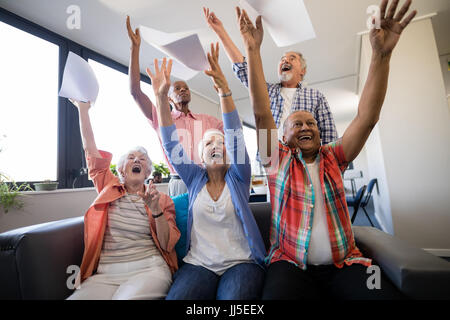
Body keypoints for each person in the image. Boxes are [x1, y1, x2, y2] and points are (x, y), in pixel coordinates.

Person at [237, 0, 416, 299]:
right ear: (282, 136)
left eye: (311, 123)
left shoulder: (334, 157)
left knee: (381, 295)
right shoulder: (276, 160)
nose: (306, 127)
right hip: (289, 265)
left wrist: (381, 56)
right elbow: (261, 114)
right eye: (297, 124)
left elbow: (367, 119)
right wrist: (253, 51)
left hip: (348, 263)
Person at [147, 43, 266, 300]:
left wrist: (224, 90)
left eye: (220, 143)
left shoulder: (239, 176)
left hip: (241, 262)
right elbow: (170, 143)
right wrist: (160, 98)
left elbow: (234, 133)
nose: (216, 145)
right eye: (209, 143)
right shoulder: (194, 178)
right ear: (200, 157)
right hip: (198, 264)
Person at [66, 100, 180, 300]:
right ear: (120, 170)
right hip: (105, 273)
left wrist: (156, 211)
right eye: (131, 157)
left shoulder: (161, 200)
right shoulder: (108, 187)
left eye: (142, 159)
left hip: (149, 269)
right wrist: (83, 110)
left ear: (147, 172)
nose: (137, 160)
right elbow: (91, 153)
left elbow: (167, 245)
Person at [203, 7, 338, 144]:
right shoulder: (267, 91)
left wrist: (326, 164)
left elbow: (329, 136)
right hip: (271, 157)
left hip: (305, 158)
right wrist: (219, 31)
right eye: (282, 59)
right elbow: (242, 68)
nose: (285, 60)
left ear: (303, 71)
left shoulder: (315, 96)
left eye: (292, 58)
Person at [127, 16, 224, 197]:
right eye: (177, 88)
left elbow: (233, 131)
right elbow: (135, 92)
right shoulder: (162, 118)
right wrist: (135, 48)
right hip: (179, 183)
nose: (183, 90)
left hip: (207, 179)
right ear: (169, 98)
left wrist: (222, 89)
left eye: (186, 88)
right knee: (178, 225)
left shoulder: (209, 120)